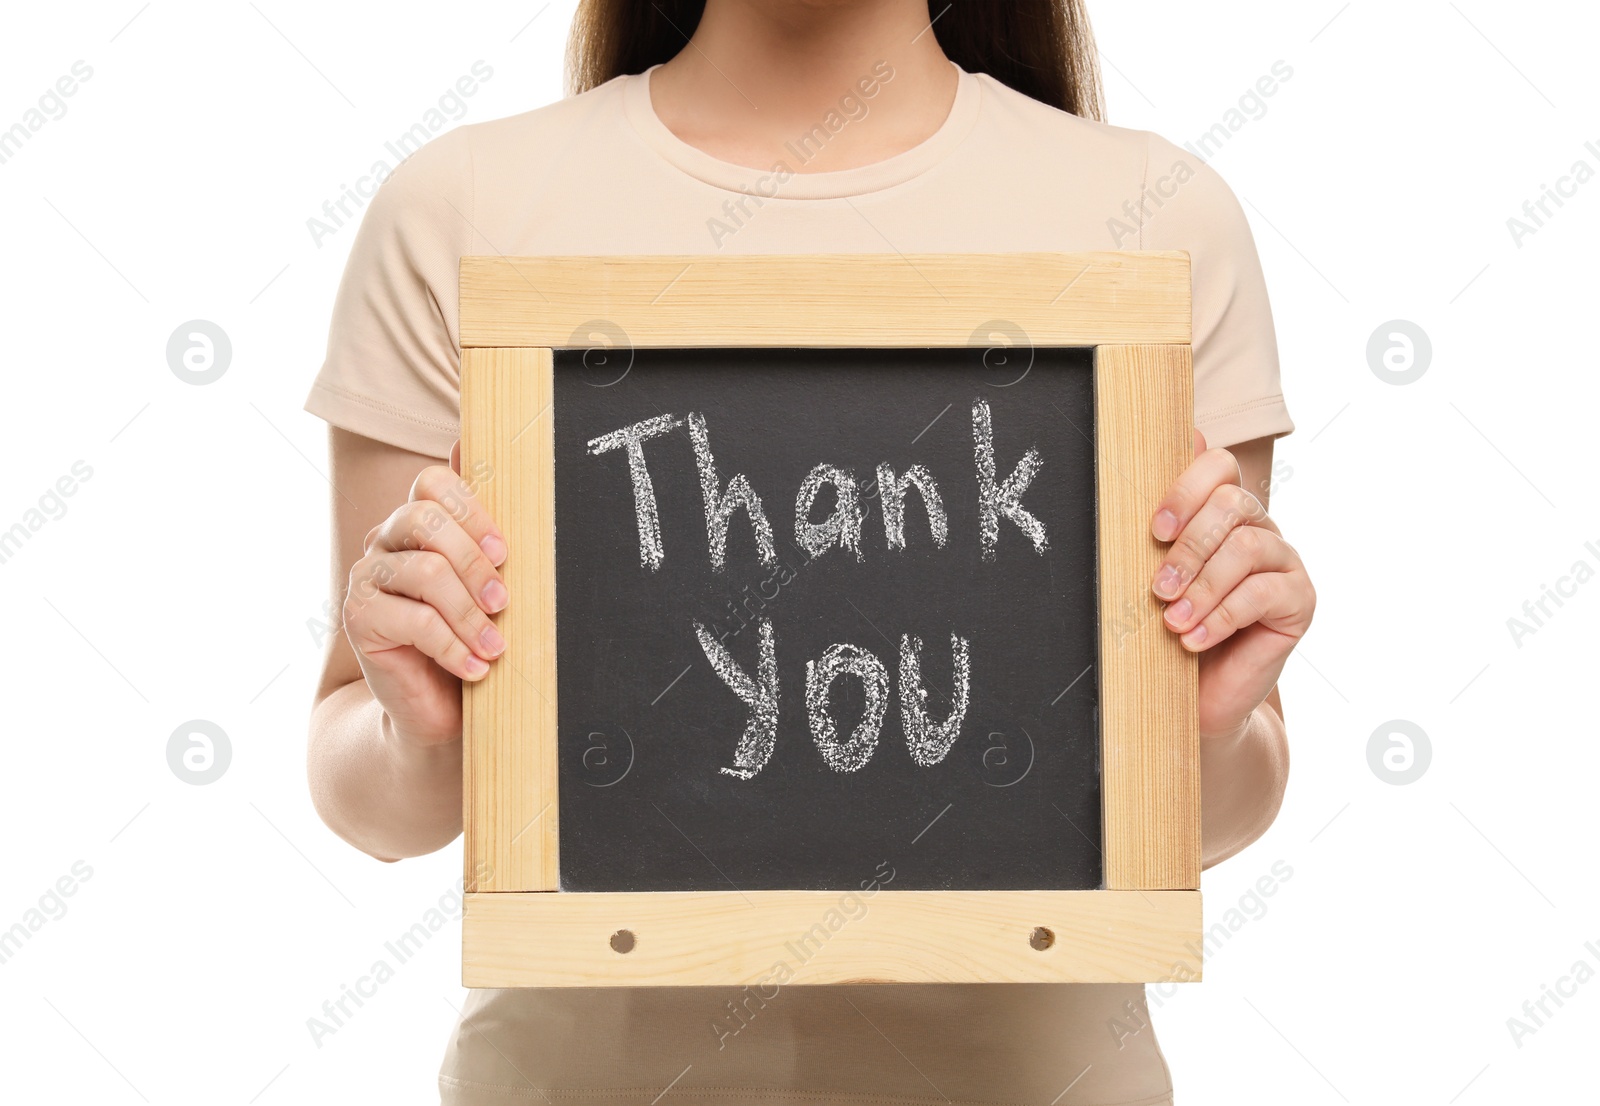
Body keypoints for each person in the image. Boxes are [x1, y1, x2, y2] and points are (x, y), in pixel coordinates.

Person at [303, 1, 1317, 1102]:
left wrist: (1201, 722)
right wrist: (426, 728)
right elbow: (367, 789)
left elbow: (1217, 809)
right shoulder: (461, 210)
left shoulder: (1156, 218)